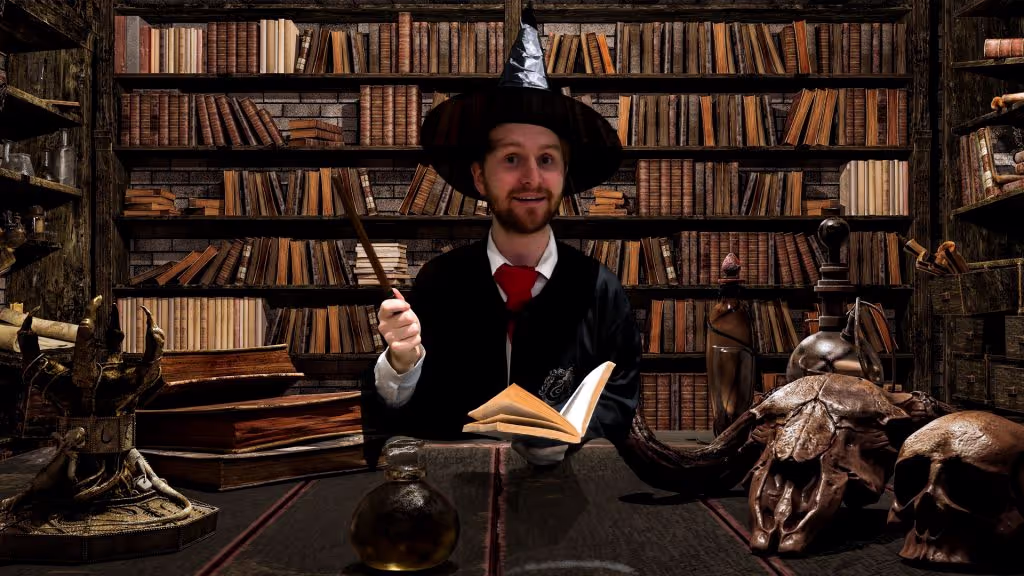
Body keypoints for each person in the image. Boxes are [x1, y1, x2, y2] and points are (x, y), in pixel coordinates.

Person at [370, 4, 641, 466]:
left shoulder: (601, 289)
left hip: (567, 497)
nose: (531, 177)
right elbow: (402, 414)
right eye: (512, 159)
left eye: (547, 160)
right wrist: (401, 362)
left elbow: (621, 401)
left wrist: (571, 439)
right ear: (480, 177)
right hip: (457, 494)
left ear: (564, 174)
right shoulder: (439, 283)